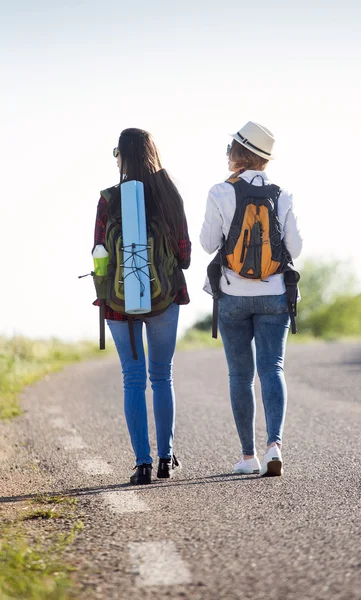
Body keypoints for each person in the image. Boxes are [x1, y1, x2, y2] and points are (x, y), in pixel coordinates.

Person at [200, 121, 302, 477]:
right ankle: (275, 446)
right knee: (273, 369)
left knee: (240, 376)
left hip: (233, 297)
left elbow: (208, 243)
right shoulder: (282, 192)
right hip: (275, 294)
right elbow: (297, 248)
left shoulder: (219, 191)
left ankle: (248, 456)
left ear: (238, 154)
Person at [93, 128, 191, 485]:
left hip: (119, 303)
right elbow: (185, 255)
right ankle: (166, 458)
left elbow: (99, 255)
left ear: (123, 156)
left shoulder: (108, 200)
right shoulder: (169, 194)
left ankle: (142, 464)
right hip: (166, 296)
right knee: (161, 375)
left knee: (132, 379)